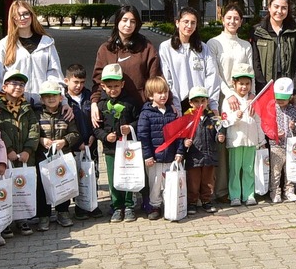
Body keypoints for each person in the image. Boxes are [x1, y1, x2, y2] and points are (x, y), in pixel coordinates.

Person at [0, 70, 42, 234]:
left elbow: (34, 128)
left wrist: (28, 149)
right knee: (6, 186)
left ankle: (22, 219)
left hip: (24, 156)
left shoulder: (26, 106)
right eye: (14, 83)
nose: (18, 87)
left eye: (21, 84)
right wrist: (9, 150)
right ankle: (6, 221)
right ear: (4, 86)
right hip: (6, 156)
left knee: (22, 186)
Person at [92, 69, 141, 224]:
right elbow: (96, 128)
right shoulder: (100, 105)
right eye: (109, 86)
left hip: (128, 149)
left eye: (116, 86)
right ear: (103, 86)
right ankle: (116, 206)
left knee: (128, 175)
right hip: (110, 149)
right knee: (114, 178)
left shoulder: (131, 102)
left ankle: (129, 206)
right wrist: (105, 137)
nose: (113, 89)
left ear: (122, 85)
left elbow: (139, 120)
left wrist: (130, 128)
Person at [0, 0, 64, 98]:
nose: (22, 18)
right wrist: (1, 102)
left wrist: (62, 99)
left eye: (26, 14)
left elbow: (55, 74)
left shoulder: (47, 42)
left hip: (44, 104)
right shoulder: (4, 44)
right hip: (16, 106)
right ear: (13, 19)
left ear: (31, 15)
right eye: (17, 15)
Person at [34, 78, 80, 228]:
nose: (51, 98)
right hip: (43, 158)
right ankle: (44, 215)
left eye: (54, 95)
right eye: (47, 96)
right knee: (42, 187)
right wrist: (41, 140)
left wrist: (64, 141)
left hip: (63, 156)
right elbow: (31, 134)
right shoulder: (36, 115)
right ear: (41, 99)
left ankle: (63, 212)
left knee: (62, 182)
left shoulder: (66, 114)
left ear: (61, 97)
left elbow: (75, 133)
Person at [135, 77, 183, 219]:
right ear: (151, 95)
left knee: (170, 183)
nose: (163, 95)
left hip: (170, 156)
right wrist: (147, 155)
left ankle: (170, 206)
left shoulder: (172, 112)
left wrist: (180, 151)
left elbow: (179, 134)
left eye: (165, 92)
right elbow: (142, 136)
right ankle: (154, 206)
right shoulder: (146, 114)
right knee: (155, 184)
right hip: (154, 158)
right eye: (159, 93)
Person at [219, 71, 264, 207]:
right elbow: (224, 121)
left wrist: (261, 140)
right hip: (235, 141)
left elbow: (258, 121)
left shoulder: (253, 100)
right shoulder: (229, 101)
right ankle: (234, 196)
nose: (244, 87)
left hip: (251, 140)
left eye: (247, 84)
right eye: (241, 84)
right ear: (234, 83)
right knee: (234, 169)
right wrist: (235, 116)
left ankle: (249, 194)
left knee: (249, 169)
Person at [94, 6, 161, 97]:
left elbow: (155, 78)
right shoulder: (105, 49)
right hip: (112, 107)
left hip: (140, 105)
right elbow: (98, 80)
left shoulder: (147, 47)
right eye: (124, 20)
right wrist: (95, 101)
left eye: (132, 21)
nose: (128, 25)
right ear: (117, 21)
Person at [158, 9, 219, 107]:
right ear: (177, 23)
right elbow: (167, 78)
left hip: (200, 103)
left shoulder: (203, 48)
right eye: (186, 22)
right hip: (177, 102)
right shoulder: (166, 47)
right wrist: (174, 104)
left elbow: (211, 76)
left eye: (193, 23)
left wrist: (212, 104)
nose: (189, 26)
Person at [253, 0, 296, 96]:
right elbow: (256, 63)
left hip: (288, 90)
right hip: (264, 89)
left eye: (284, 8)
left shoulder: (293, 32)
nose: (279, 11)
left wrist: (295, 91)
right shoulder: (258, 32)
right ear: (269, 7)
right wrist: (263, 89)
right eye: (276, 6)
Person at [182, 86, 222, 211]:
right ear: (190, 103)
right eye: (196, 101)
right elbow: (182, 134)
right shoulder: (187, 118)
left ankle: (207, 201)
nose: (200, 104)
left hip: (209, 155)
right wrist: (185, 142)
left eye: (203, 101)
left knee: (208, 181)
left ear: (207, 101)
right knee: (193, 182)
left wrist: (220, 137)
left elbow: (218, 132)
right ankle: (192, 202)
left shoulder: (212, 118)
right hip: (194, 156)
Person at [267, 79, 296, 204]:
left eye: (284, 98)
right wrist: (274, 133)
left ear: (290, 97)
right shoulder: (271, 108)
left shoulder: (293, 110)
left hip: (290, 145)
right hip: (276, 145)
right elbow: (266, 125)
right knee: (276, 170)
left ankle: (289, 191)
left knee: (290, 170)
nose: (281, 101)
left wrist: (294, 126)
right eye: (278, 98)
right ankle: (275, 192)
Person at [206, 5, 257, 85]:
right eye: (229, 18)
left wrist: (252, 93)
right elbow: (214, 74)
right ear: (223, 20)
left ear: (240, 22)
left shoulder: (246, 45)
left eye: (236, 19)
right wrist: (229, 94)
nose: (232, 21)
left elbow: (251, 73)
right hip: (221, 94)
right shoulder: (213, 43)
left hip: (243, 94)